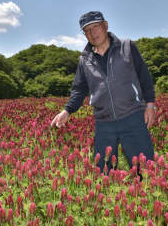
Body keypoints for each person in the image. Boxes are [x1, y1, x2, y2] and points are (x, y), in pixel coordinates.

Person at [51, 11, 156, 175]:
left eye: (96, 27)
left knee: (145, 170)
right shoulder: (84, 59)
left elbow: (144, 77)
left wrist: (150, 104)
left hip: (133, 116)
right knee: (103, 173)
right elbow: (79, 89)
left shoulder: (127, 46)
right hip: (104, 122)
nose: (93, 33)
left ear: (105, 26)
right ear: (85, 35)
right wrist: (67, 110)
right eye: (87, 30)